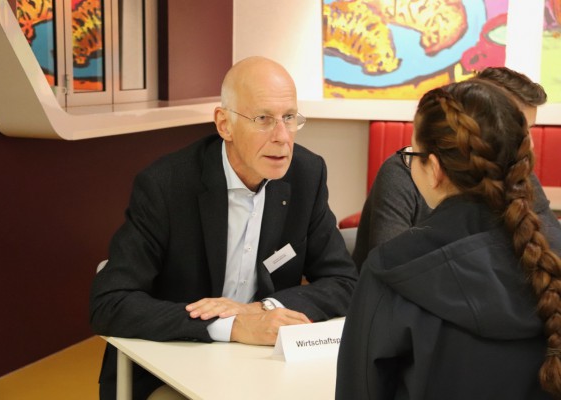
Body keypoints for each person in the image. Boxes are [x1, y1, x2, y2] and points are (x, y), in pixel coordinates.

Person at [89, 56, 358, 399]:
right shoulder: (166, 185)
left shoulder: (307, 174)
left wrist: (263, 309)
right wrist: (231, 325)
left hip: (261, 365)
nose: (282, 137)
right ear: (224, 124)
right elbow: (110, 303)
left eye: (289, 118)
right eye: (263, 119)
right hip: (173, 361)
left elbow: (344, 282)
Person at [336, 79, 561, 399]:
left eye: (413, 154)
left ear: (435, 169)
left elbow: (360, 390)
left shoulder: (391, 271)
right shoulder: (549, 259)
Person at [351, 67, 559, 269]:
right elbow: (391, 268)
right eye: (516, 130)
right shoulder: (402, 173)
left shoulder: (517, 174)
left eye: (528, 130)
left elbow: (552, 246)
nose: (529, 144)